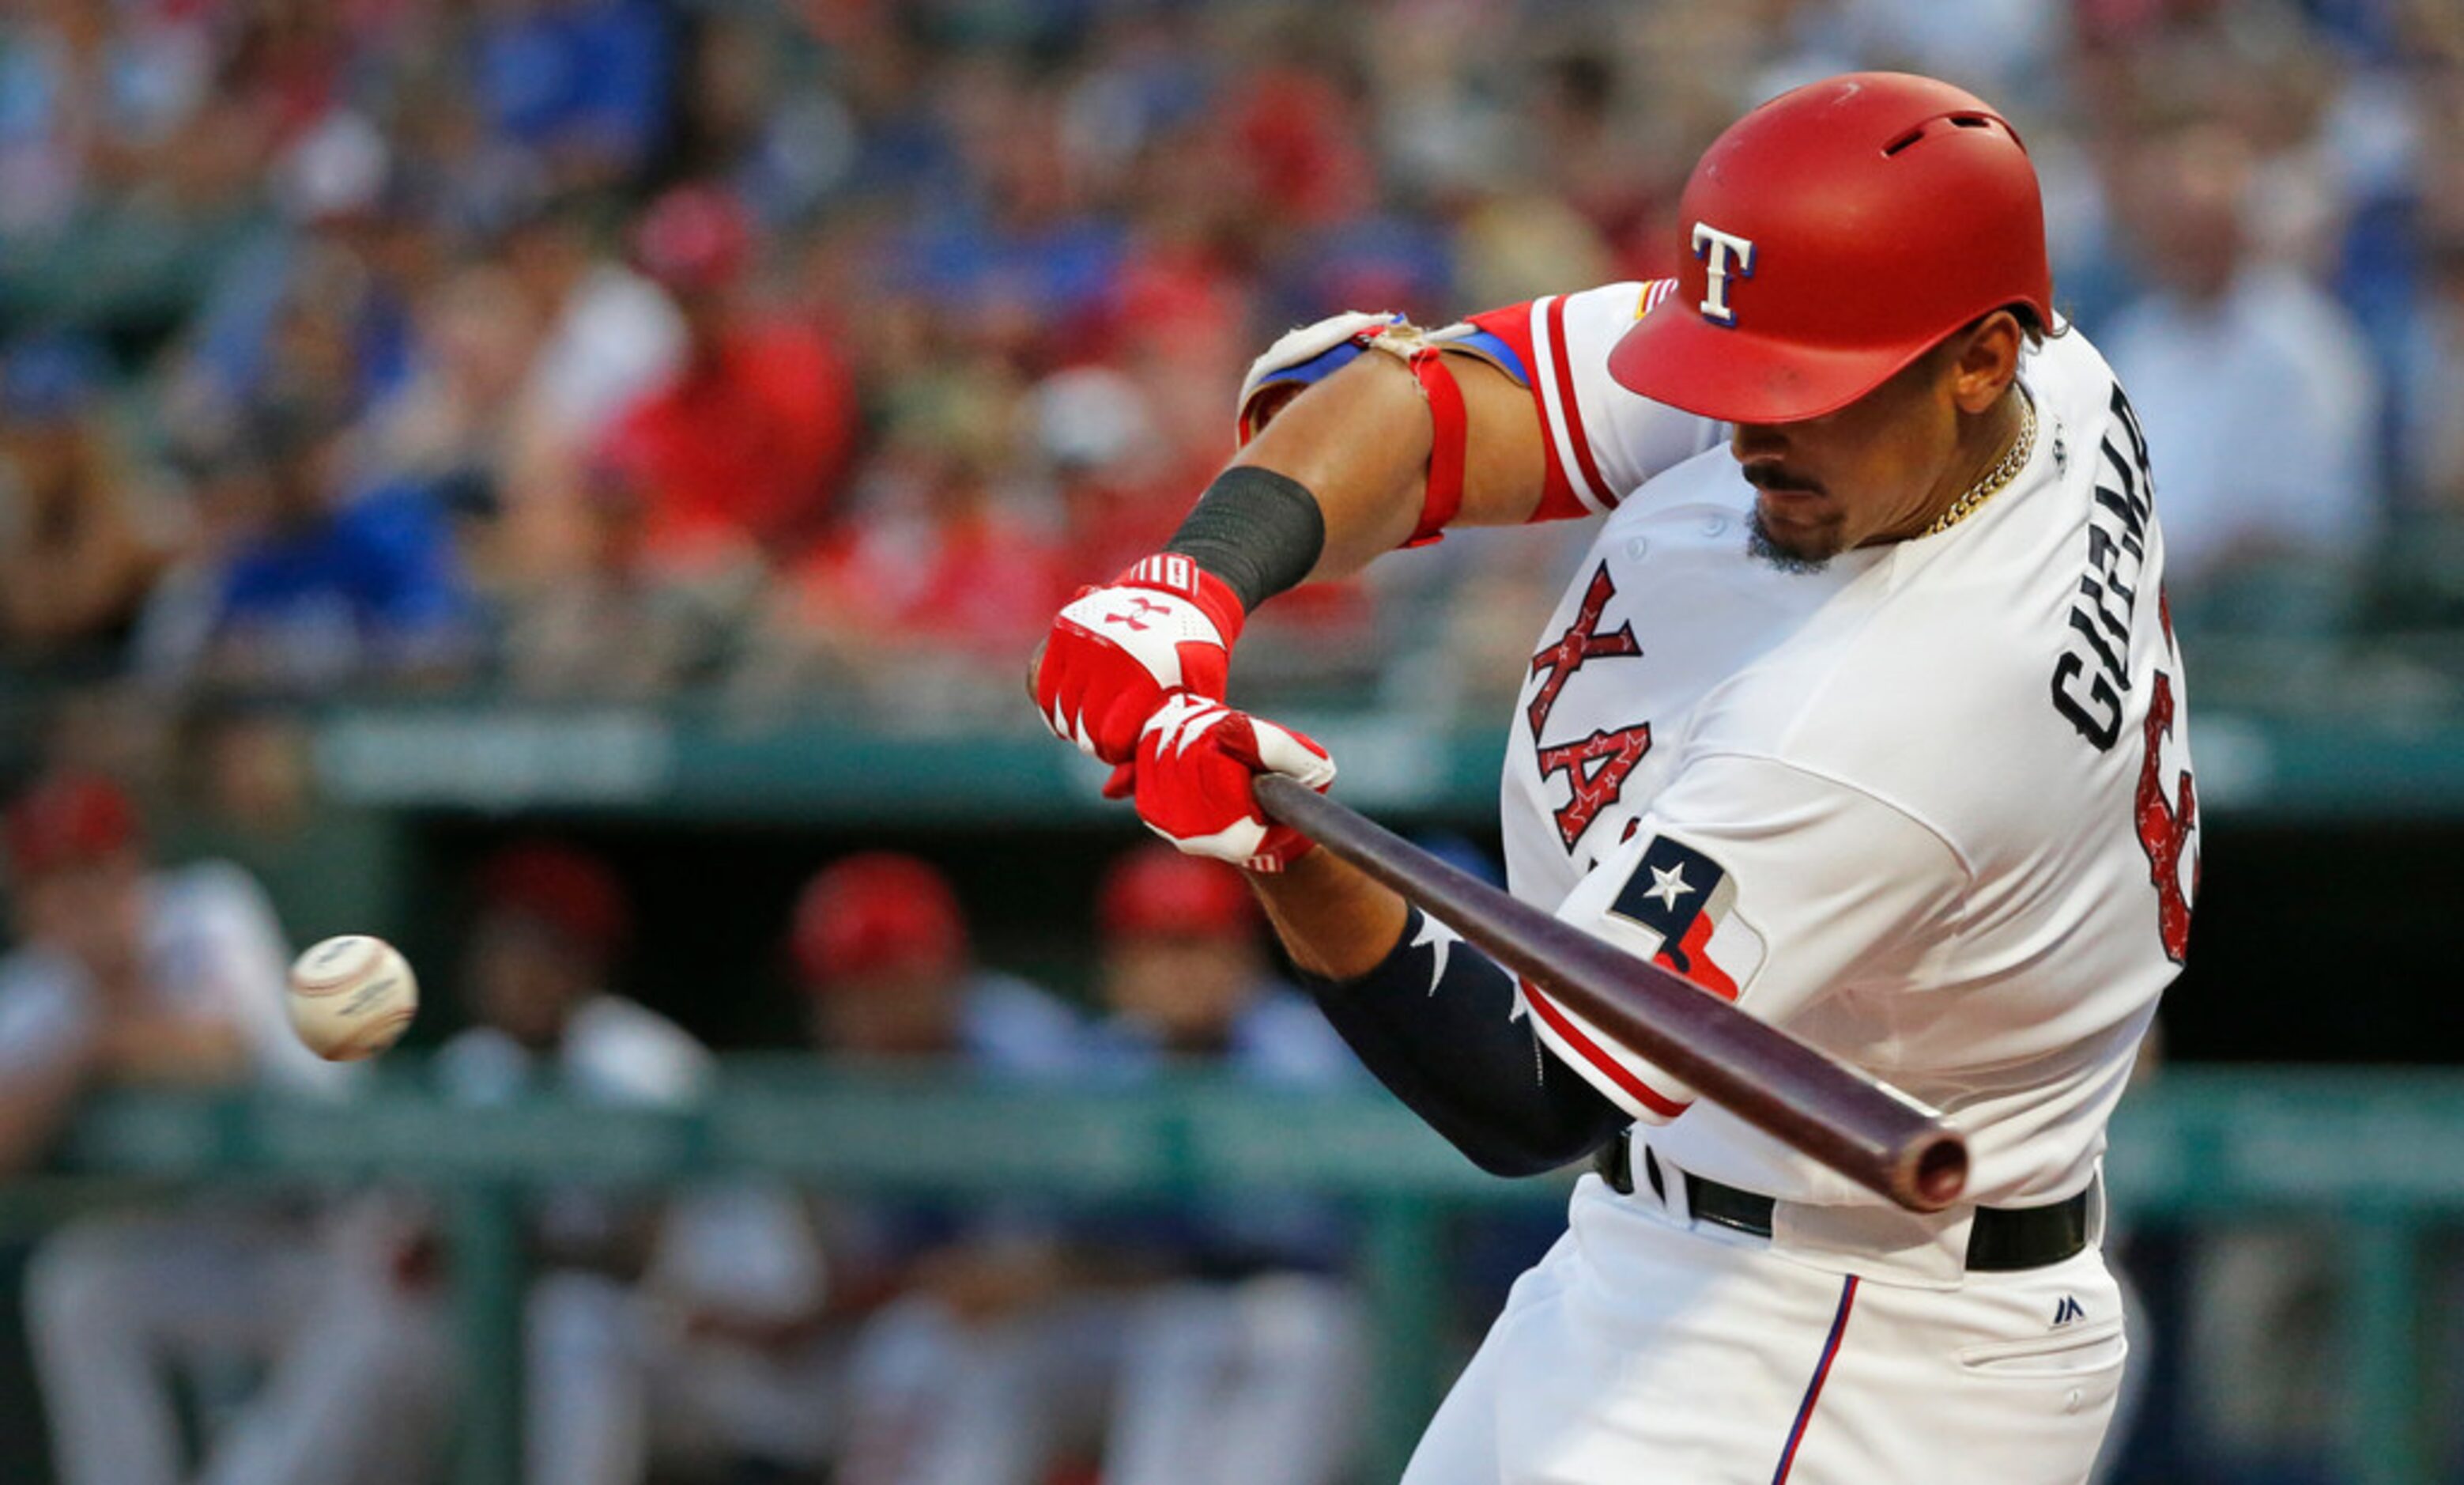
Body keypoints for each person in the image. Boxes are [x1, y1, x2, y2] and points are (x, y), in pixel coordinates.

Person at [1032, 72, 2195, 1483]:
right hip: (1680, 1247)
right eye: (1740, 376)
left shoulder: (1900, 713)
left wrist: (1282, 848)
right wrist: (1189, 583)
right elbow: (1435, 414)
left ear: (1978, 358)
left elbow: (1520, 1088)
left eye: (1801, 390)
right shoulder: (2026, 380)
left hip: (1852, 1339)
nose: (1753, 431)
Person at [2, 771, 421, 1485]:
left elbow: (215, 1051)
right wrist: (89, 1046)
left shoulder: (207, 909)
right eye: (58, 884)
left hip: (365, 1252)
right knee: (80, 1289)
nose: (86, 903)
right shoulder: (43, 986)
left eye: (98, 872)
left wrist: (94, 1046)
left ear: (135, 869)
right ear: (31, 907)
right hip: (241, 1251)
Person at [1083, 845, 1364, 1485]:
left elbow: (1345, 1244)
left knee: (1288, 1327)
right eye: (1156, 948)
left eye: (1197, 945)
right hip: (1157, 1314)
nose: (1179, 971)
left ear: (1242, 954)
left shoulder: (1306, 1059)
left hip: (1327, 1310)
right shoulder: (1100, 1066)